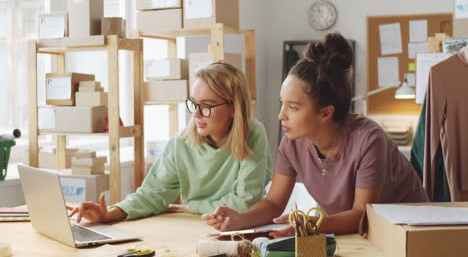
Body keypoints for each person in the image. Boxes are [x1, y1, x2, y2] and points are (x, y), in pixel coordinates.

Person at [202, 33, 428, 235]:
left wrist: (310, 225)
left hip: (410, 232)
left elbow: (362, 215)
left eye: (293, 107)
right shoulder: (292, 142)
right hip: (359, 234)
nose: (281, 115)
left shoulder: (369, 141)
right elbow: (273, 203)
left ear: (325, 113)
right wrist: (239, 218)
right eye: (282, 104)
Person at [68, 62, 272, 223]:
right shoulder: (180, 142)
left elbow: (246, 202)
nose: (197, 114)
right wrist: (108, 213)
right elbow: (152, 194)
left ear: (234, 108)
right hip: (194, 225)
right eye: (193, 104)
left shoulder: (253, 134)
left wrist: (190, 207)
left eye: (207, 106)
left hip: (238, 228)